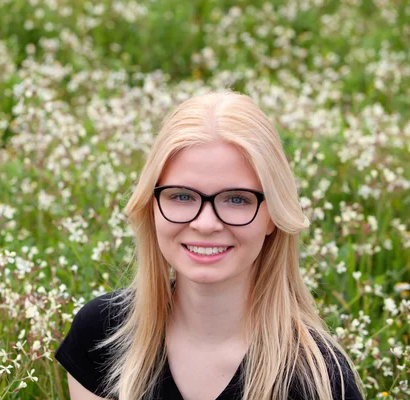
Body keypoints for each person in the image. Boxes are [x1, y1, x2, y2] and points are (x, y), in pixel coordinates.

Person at [55, 90, 364, 400]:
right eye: (181, 196)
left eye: (236, 199)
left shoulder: (320, 380)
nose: (205, 224)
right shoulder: (100, 335)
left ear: (273, 216)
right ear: (151, 207)